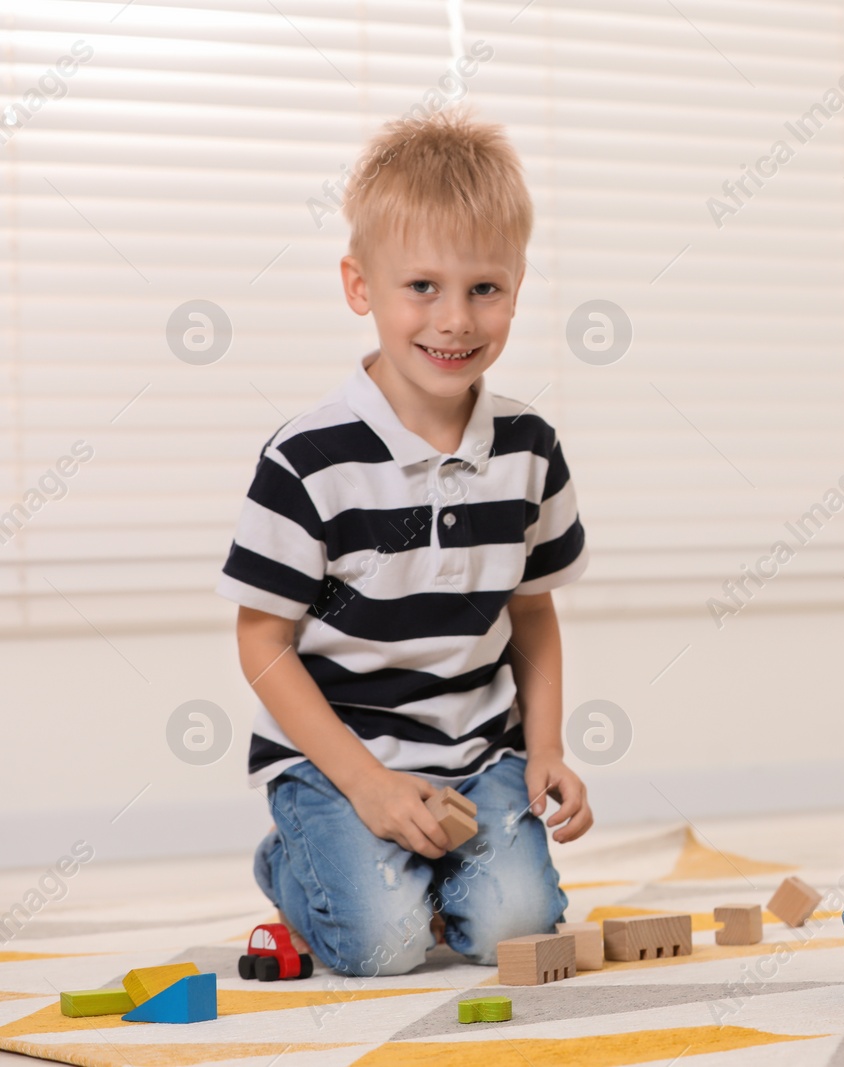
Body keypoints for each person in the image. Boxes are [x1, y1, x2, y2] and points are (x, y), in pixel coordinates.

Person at [217, 110, 592, 977]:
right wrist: (368, 784)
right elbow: (262, 639)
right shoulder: (310, 459)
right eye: (421, 286)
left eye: (484, 289)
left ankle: (425, 868)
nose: (454, 320)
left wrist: (545, 751)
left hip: (476, 751)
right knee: (378, 944)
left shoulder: (528, 447)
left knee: (518, 933)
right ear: (361, 286)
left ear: (518, 284)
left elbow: (532, 616)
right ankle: (295, 856)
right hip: (338, 758)